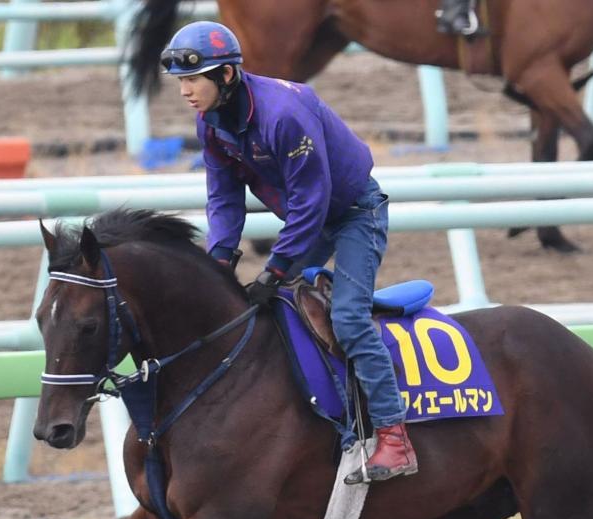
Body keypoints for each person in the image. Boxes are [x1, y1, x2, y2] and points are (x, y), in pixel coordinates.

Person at [161, 20, 417, 484]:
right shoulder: (211, 123)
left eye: (193, 80)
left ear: (226, 77)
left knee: (349, 319)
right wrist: (219, 260)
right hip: (308, 219)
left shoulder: (284, 114)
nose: (185, 92)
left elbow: (311, 203)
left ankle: (393, 436)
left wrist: (275, 269)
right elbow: (223, 198)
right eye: (181, 81)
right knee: (255, 309)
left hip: (355, 214)